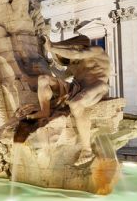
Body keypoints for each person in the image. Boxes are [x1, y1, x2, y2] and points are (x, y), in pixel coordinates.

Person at [22, 35, 111, 166]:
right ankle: (44, 111)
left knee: (76, 104)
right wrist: (47, 63)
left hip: (97, 86)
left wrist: (52, 47)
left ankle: (87, 149)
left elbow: (77, 54)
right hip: (77, 88)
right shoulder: (75, 64)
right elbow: (61, 75)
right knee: (43, 79)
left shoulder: (96, 50)